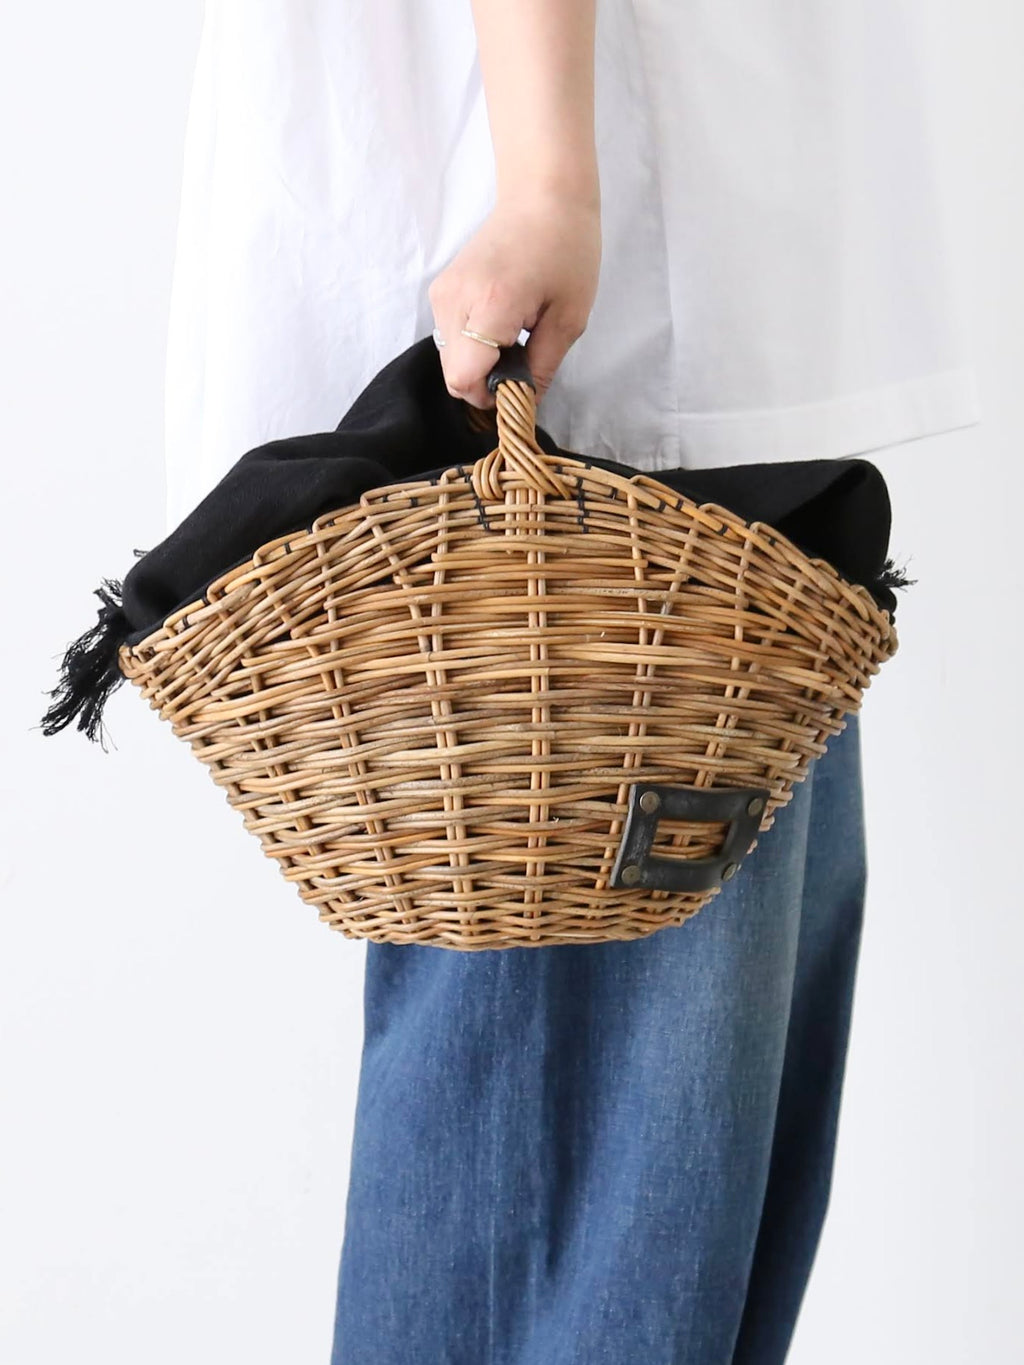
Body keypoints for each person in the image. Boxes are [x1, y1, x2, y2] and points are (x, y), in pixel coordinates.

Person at [162, 2, 979, 1361]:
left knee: (683, 1225)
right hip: (589, 336)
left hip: (688, 335)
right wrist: (548, 179)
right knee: (580, 1240)